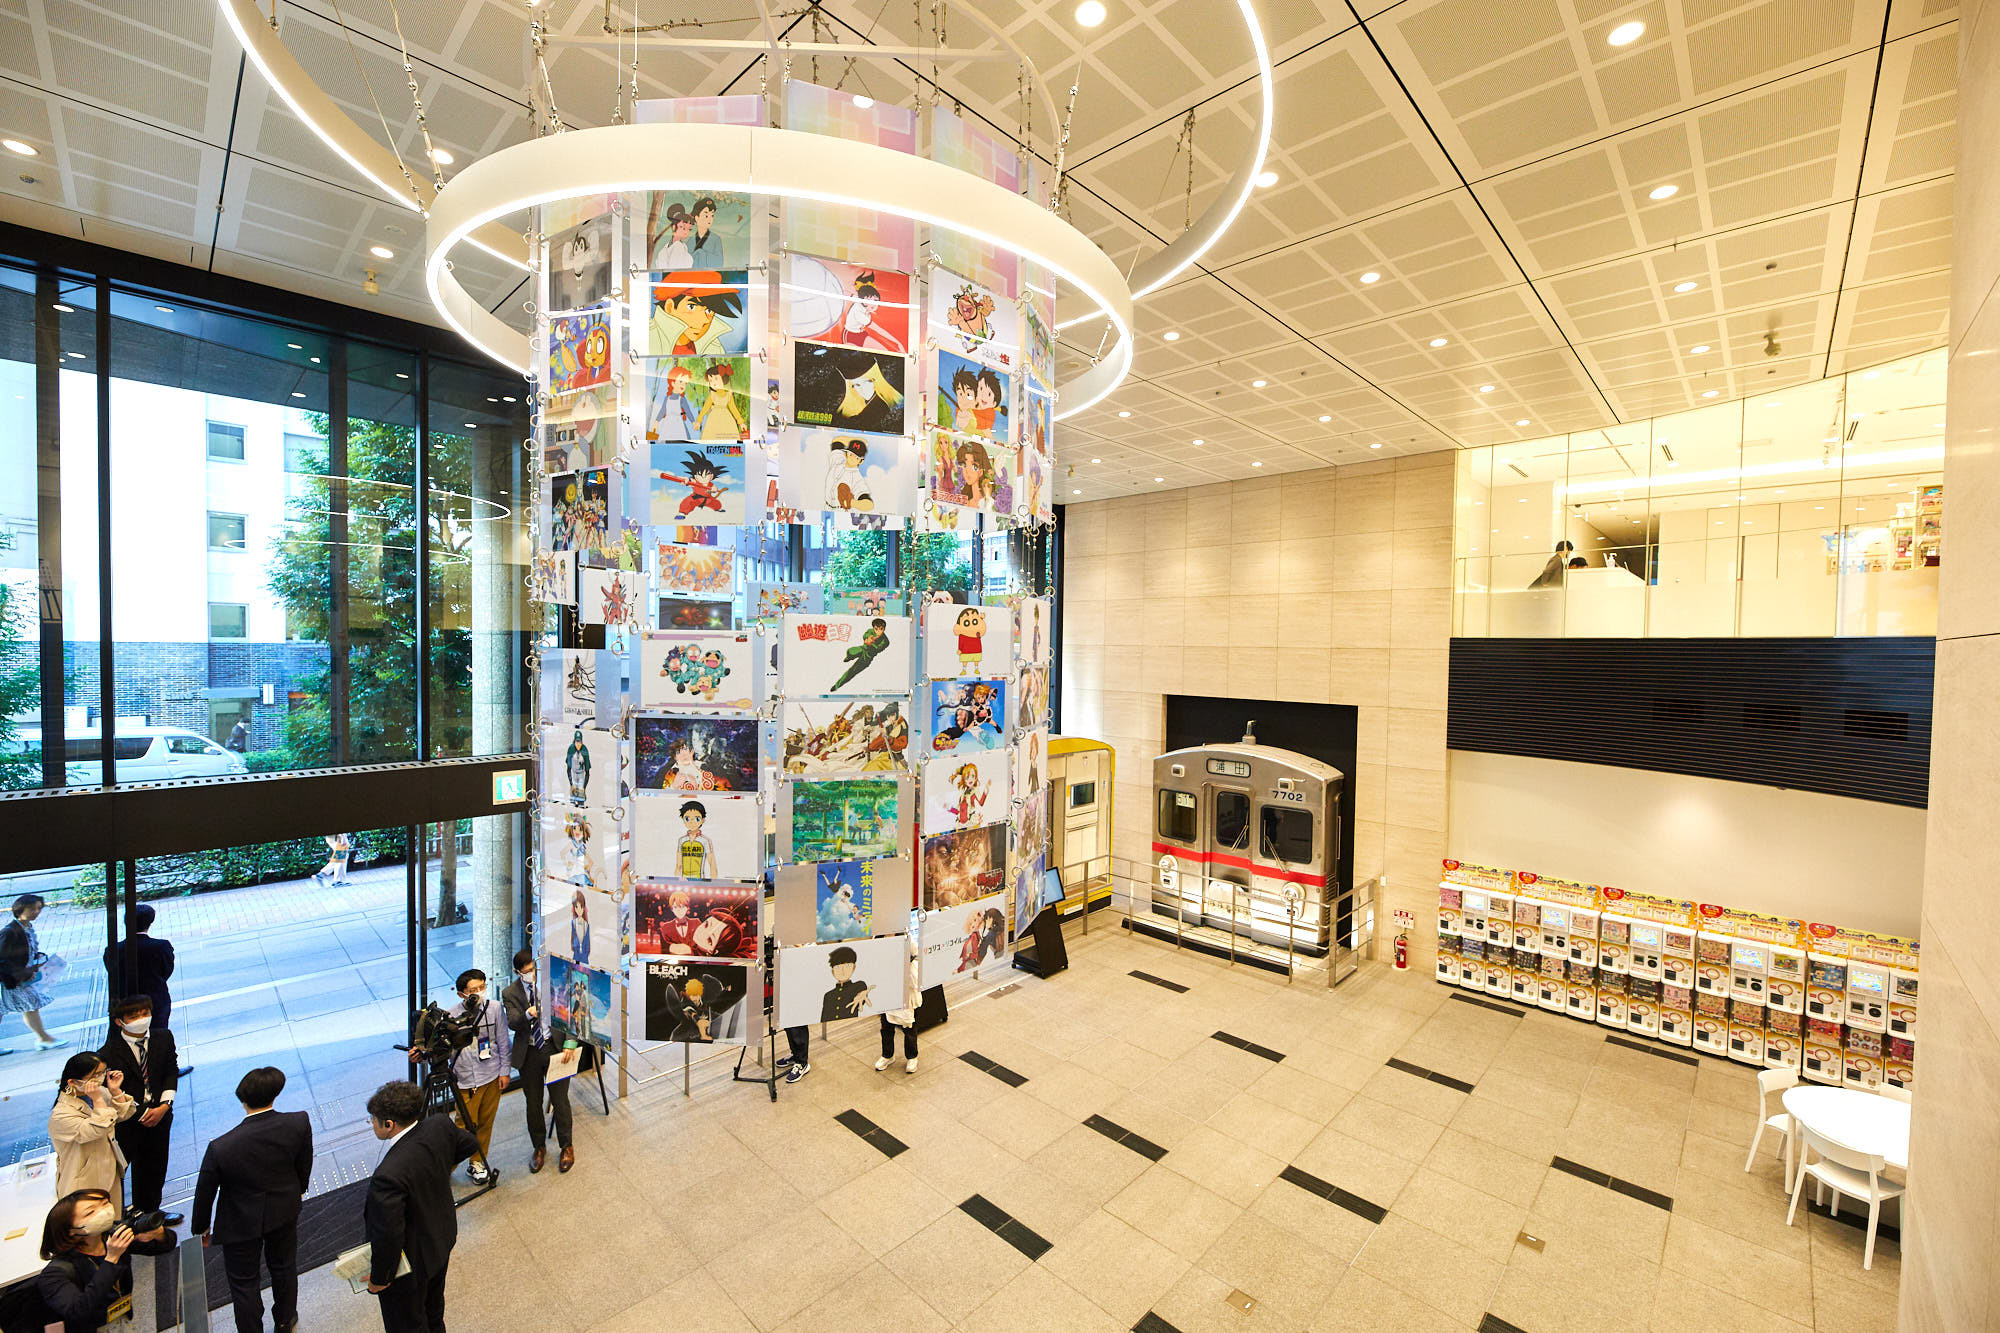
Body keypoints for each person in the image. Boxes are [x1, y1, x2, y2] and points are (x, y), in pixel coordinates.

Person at [191, 1067, 312, 1333]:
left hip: (239, 1222)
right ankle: (285, 1320)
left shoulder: (222, 1146)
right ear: (276, 1094)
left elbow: (205, 1191)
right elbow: (304, 1164)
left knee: (244, 1283)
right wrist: (297, 1192)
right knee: (284, 1268)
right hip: (284, 1210)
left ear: (242, 1099)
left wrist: (201, 1226)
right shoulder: (298, 1122)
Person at [362, 1080, 477, 1333]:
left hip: (411, 1265)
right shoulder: (438, 1125)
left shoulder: (387, 1176)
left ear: (389, 1124)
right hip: (441, 1240)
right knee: (433, 1312)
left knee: (408, 1323)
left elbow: (388, 1235)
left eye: (373, 1119)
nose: (371, 1124)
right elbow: (470, 1143)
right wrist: (437, 1167)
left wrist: (379, 1279)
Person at [30, 1189, 173, 1333]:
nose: (103, 1212)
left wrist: (159, 1234)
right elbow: (78, 1309)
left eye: (105, 1203)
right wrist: (112, 1259)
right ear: (70, 1230)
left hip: (121, 1317)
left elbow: (165, 1246)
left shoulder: (109, 1236)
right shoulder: (55, 1274)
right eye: (90, 1212)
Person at [95, 996, 181, 1223]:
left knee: (155, 1167)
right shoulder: (108, 1053)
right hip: (128, 1121)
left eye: (145, 1013)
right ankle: (117, 1218)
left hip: (160, 1115)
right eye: (134, 1016)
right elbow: (113, 1090)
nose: (141, 1019)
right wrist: (142, 1112)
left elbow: (171, 1071)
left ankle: (151, 1215)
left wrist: (165, 1105)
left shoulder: (163, 1037)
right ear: (119, 1022)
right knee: (119, 1172)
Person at [426, 969, 508, 1185]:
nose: (479, 993)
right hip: (464, 1078)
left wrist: (505, 1071)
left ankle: (478, 1162)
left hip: (491, 1074)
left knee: (486, 1122)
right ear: (461, 993)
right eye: (473, 990)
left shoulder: (495, 1008)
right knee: (462, 1126)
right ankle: (446, 1166)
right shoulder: (451, 1015)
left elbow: (502, 1040)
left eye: (482, 987)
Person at [502, 950, 574, 1175]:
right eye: (527, 972)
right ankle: (539, 1147)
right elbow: (512, 1022)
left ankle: (567, 1146)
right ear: (517, 972)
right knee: (533, 1102)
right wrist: (526, 1015)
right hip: (530, 1052)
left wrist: (570, 1043)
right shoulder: (510, 993)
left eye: (534, 969)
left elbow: (570, 1013)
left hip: (554, 1047)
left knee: (560, 1100)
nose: (532, 975)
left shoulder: (552, 982)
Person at [48, 1053, 137, 1205]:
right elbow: (98, 1129)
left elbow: (123, 1114)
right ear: (73, 1082)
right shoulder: (61, 1115)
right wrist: (97, 1100)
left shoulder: (98, 1092)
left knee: (112, 1217)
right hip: (83, 1181)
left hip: (107, 1168)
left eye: (103, 1072)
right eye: (95, 1075)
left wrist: (115, 1091)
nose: (101, 1078)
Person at [1, 893, 66, 1052]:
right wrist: (22, 973)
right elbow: (2, 958)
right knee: (31, 1005)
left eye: (38, 908)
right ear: (20, 909)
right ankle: (44, 1038)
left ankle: (44, 1038)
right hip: (11, 979)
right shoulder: (10, 931)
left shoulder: (25, 927)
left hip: (16, 978)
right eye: (32, 909)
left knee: (28, 1006)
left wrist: (35, 959)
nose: (36, 912)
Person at [103, 903, 176, 1028]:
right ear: (150, 922)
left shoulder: (112, 950)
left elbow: (112, 972)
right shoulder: (161, 947)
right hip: (154, 1000)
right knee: (157, 1037)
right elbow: (166, 971)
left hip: (124, 1003)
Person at [874, 935, 921, 1074]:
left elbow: (918, 956)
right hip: (886, 988)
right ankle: (887, 1055)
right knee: (886, 1026)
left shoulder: (907, 939)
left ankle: (912, 1056)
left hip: (906, 987)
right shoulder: (877, 938)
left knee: (909, 1027)